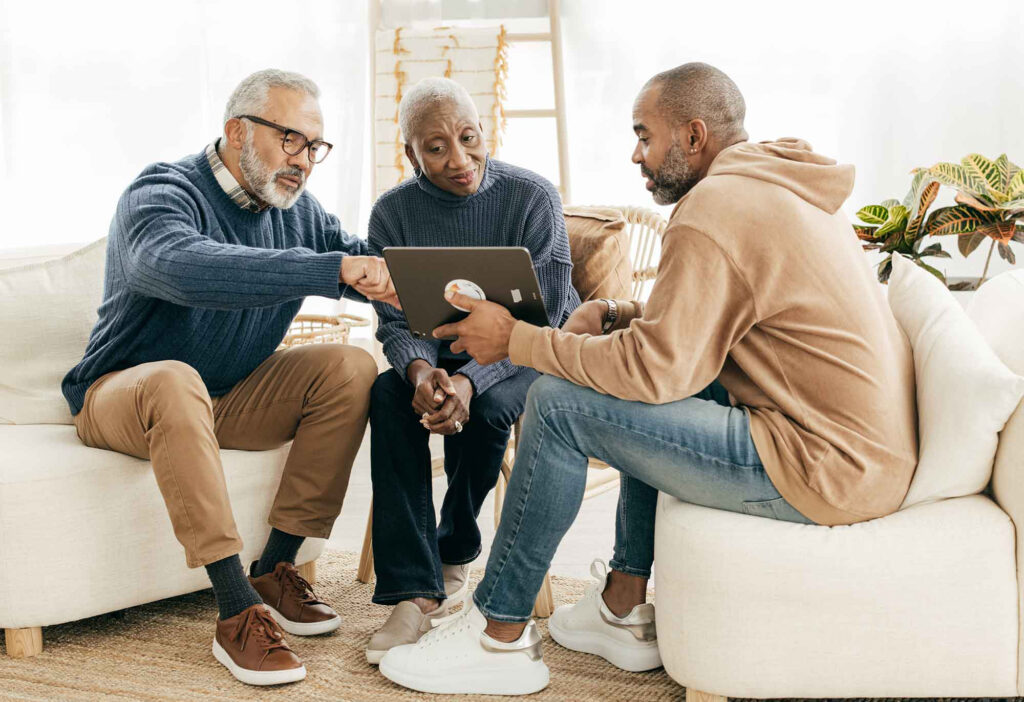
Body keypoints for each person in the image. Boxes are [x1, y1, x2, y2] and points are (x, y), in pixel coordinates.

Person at [376, 62, 918, 695]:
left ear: (692, 136)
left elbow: (655, 369)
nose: (636, 154)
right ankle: (624, 606)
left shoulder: (713, 208)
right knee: (618, 378)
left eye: (645, 135)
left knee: (556, 404)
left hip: (821, 466)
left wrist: (520, 340)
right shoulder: (773, 186)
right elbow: (695, 331)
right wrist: (610, 312)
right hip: (854, 450)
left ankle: (496, 636)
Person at [62, 69, 399, 686]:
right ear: (236, 131)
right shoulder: (162, 191)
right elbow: (183, 268)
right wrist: (331, 270)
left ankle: (275, 567)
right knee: (174, 379)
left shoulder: (301, 214)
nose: (304, 161)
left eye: (315, 147)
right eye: (290, 140)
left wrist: (442, 287)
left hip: (227, 395)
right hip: (122, 395)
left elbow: (367, 269)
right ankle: (236, 606)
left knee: (351, 366)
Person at [364, 77, 580, 664]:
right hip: (440, 356)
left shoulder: (531, 197)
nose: (458, 160)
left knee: (485, 409)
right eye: (436, 148)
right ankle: (414, 591)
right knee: (386, 394)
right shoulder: (392, 213)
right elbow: (394, 315)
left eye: (468, 137)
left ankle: (455, 550)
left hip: (533, 352)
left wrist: (467, 381)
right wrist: (420, 374)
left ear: (485, 131)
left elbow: (554, 313)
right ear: (411, 154)